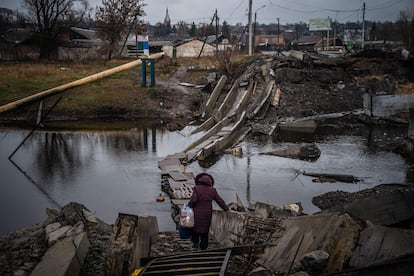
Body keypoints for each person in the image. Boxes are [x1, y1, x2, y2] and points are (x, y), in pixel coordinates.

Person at [188, 172, 229, 250]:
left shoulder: (197, 188)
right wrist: (226, 209)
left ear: (199, 180)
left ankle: (195, 244)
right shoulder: (212, 190)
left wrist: (189, 206)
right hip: (207, 213)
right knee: (205, 229)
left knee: (195, 228)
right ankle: (204, 247)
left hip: (196, 212)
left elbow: (193, 200)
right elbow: (220, 201)